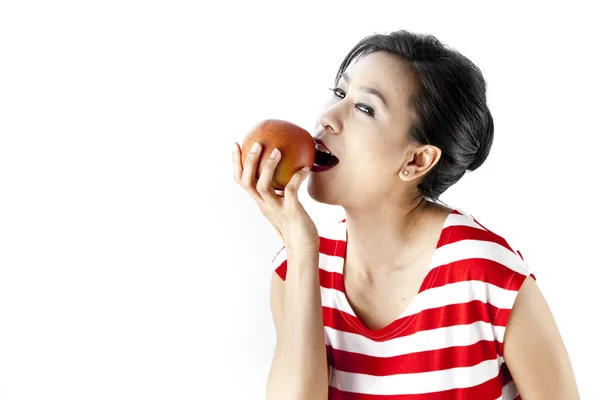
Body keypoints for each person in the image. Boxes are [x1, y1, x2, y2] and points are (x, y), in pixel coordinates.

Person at [232, 30, 579, 400]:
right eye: (339, 93)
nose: (328, 117)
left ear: (416, 161)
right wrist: (301, 251)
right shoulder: (295, 271)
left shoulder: (487, 274)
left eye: (364, 108)